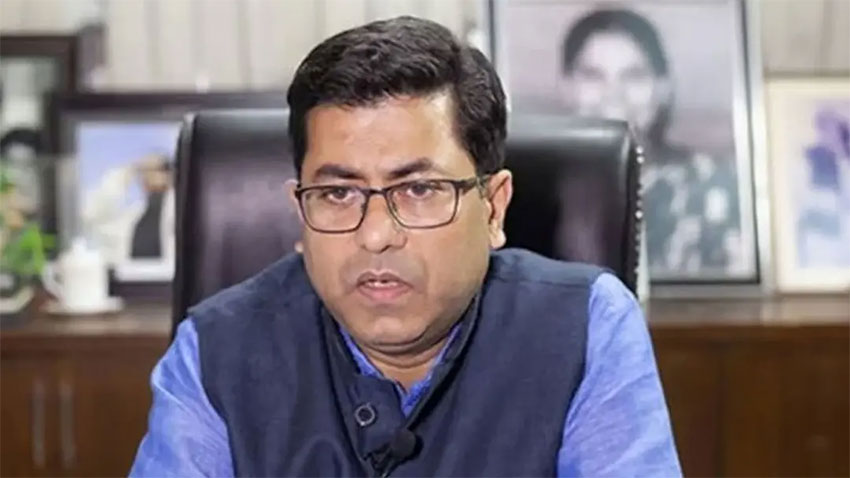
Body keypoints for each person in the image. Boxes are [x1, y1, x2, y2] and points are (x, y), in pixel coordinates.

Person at [130, 16, 680, 477]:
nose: (375, 235)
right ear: (301, 212)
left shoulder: (587, 327)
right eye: (338, 193)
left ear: (493, 208)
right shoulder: (214, 352)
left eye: (419, 190)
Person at [558, 8, 744, 277]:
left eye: (633, 76)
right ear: (566, 87)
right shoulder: (540, 190)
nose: (613, 94)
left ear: (663, 89)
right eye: (593, 76)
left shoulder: (710, 185)